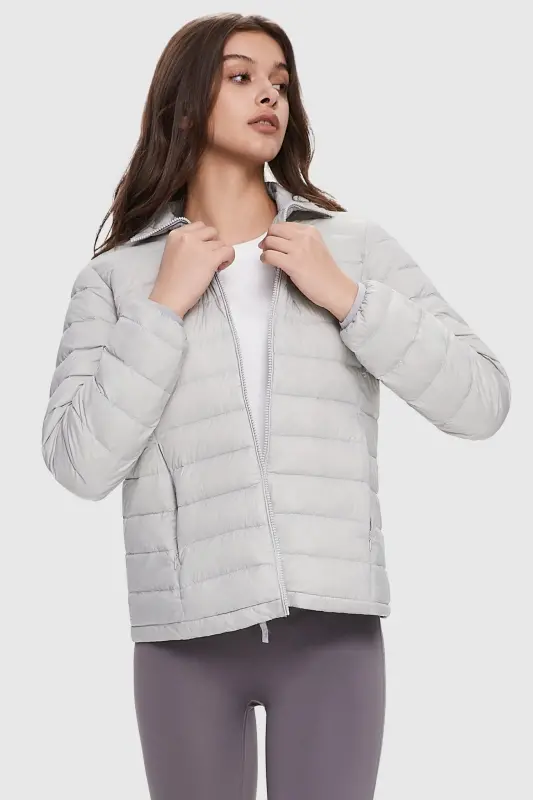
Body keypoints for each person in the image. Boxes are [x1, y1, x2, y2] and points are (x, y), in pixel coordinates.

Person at [40, 12, 511, 800]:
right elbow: (77, 465)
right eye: (241, 77)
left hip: (331, 633)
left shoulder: (350, 248)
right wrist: (161, 310)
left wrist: (349, 299)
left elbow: (482, 400)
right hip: (183, 640)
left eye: (280, 83)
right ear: (185, 106)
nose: (269, 96)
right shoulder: (117, 280)